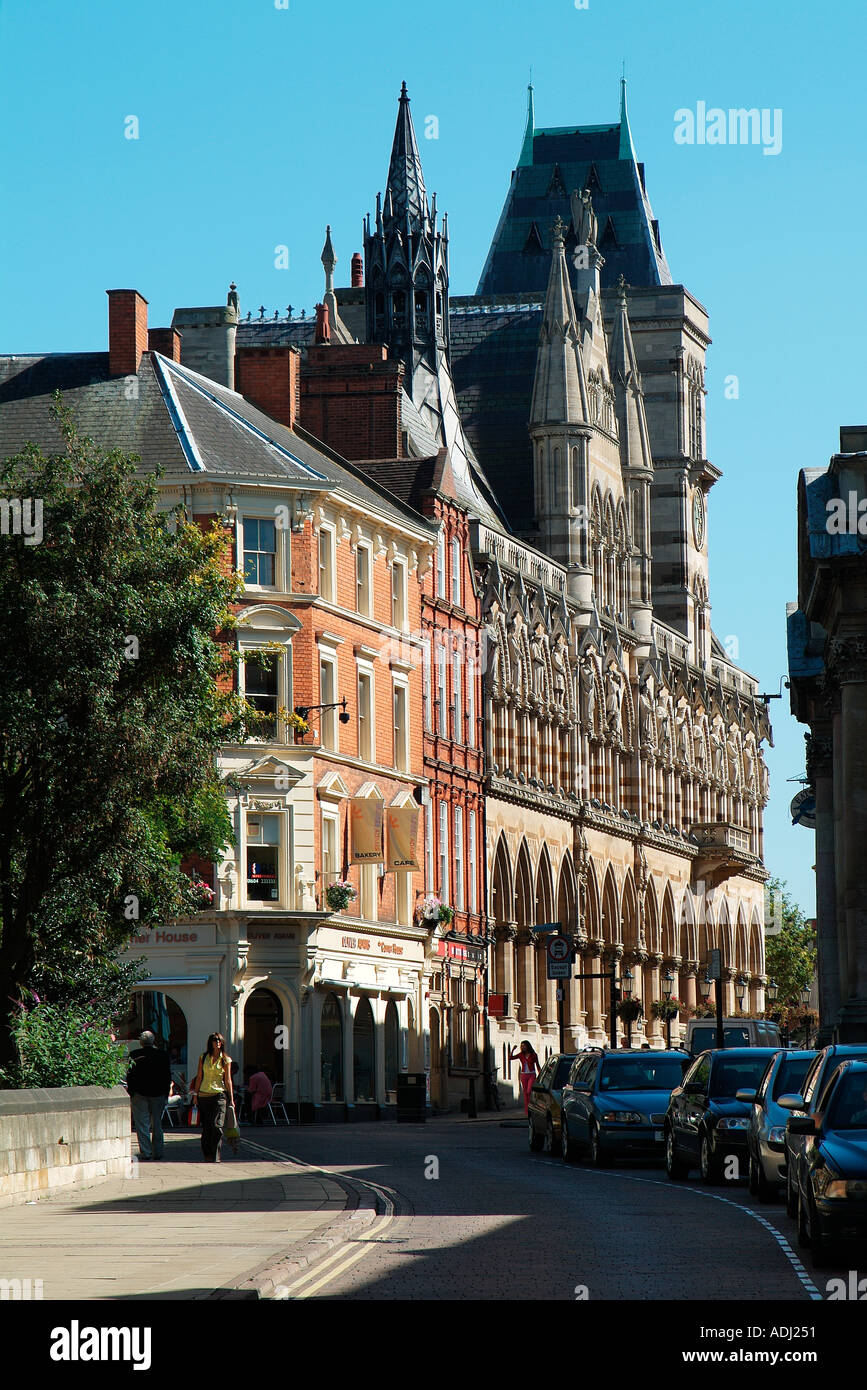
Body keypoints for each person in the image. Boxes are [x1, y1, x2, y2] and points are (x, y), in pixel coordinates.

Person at [189, 1033, 235, 1162]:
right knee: (207, 1127)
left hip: (219, 1095)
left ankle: (216, 1156)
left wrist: (231, 1099)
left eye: (219, 1040)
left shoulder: (226, 1060)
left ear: (222, 1043)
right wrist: (195, 1095)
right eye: (214, 1040)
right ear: (210, 1043)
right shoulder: (203, 1057)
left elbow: (228, 1080)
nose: (217, 1042)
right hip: (204, 1095)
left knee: (217, 1126)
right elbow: (199, 1077)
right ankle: (207, 1155)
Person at [126, 1030, 172, 1161]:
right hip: (158, 1093)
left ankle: (145, 1152)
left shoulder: (134, 1055)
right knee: (157, 1124)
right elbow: (167, 1075)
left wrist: (132, 1091)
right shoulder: (162, 1055)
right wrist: (166, 1091)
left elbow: (130, 1075)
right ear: (153, 1041)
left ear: (141, 1042)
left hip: (139, 1093)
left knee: (142, 1124)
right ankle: (158, 1151)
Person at [509, 1040, 540, 1113]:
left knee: (529, 1091)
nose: (522, 1047)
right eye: (521, 1046)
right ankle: (527, 1110)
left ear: (528, 1046)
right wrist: (513, 1050)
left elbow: (537, 1065)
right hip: (523, 1075)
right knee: (525, 1093)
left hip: (531, 1074)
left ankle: (532, 1106)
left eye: (524, 1046)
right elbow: (510, 1058)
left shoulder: (534, 1055)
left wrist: (540, 1075)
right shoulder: (521, 1055)